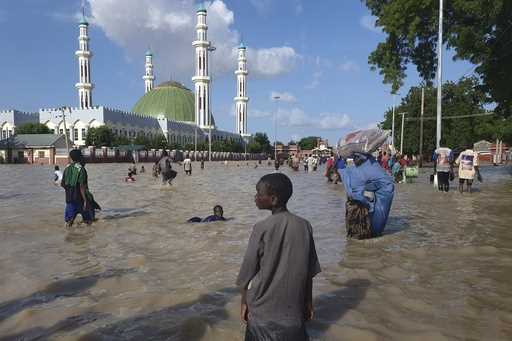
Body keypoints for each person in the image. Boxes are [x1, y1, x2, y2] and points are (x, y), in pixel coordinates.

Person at [237, 173, 321, 341]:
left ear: (273, 199)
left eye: (259, 193)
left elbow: (247, 272)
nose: (255, 197)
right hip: (293, 318)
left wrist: (244, 302)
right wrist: (308, 302)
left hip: (261, 317)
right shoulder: (305, 226)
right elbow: (309, 271)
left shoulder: (261, 228)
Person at [339, 152, 394, 238]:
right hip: (372, 232)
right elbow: (387, 185)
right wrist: (369, 160)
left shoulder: (350, 230)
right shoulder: (375, 225)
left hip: (354, 232)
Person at [61, 150, 94, 227]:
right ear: (80, 157)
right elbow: (82, 186)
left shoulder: (67, 168)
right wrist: (85, 200)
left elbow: (62, 184)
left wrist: (69, 191)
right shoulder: (81, 169)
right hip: (80, 199)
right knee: (88, 222)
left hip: (69, 199)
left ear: (71, 158)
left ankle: (68, 237)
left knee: (68, 223)